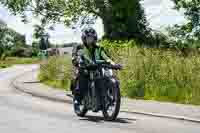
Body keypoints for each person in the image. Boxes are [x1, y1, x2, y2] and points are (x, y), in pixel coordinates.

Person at [71, 27, 115, 111]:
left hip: (97, 68)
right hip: (85, 68)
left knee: (107, 77)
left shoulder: (99, 47)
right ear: (84, 38)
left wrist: (112, 63)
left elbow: (105, 56)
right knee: (82, 78)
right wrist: (77, 61)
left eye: (92, 38)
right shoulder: (79, 47)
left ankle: (109, 96)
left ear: (95, 38)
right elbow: (74, 57)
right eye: (88, 38)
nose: (90, 40)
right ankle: (77, 100)